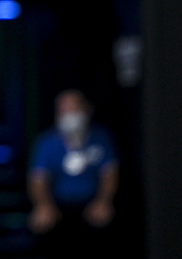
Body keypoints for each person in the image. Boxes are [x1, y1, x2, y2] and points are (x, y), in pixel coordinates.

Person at [27, 89, 119, 259]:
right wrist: (43, 204)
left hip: (91, 204)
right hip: (59, 206)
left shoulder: (101, 138)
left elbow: (109, 173)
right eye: (63, 110)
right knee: (42, 224)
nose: (69, 115)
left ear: (87, 109)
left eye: (73, 108)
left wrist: (104, 201)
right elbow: (38, 179)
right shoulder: (47, 142)